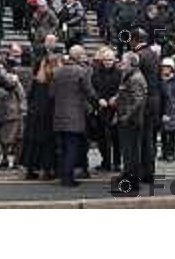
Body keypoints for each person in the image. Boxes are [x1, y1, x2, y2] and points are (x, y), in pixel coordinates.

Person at [52, 45, 97, 187]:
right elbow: (90, 93)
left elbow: (51, 93)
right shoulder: (81, 72)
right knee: (72, 147)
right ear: (78, 57)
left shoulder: (57, 72)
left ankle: (62, 175)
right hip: (75, 116)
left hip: (58, 115)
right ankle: (68, 178)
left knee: (63, 147)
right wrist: (98, 102)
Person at [22, 53, 61, 180]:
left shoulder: (37, 80)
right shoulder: (56, 80)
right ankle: (47, 170)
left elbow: (30, 97)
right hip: (49, 116)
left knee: (33, 144)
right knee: (48, 145)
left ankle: (31, 169)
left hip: (35, 116)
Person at [130, 28, 160, 183]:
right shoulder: (154, 55)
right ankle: (150, 171)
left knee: (141, 139)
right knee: (149, 138)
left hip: (143, 101)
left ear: (134, 40)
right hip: (154, 100)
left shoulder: (138, 56)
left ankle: (142, 171)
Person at [115, 51, 147, 178]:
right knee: (127, 149)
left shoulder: (136, 78)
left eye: (124, 61)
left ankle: (132, 176)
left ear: (131, 63)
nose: (121, 63)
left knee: (131, 149)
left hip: (132, 121)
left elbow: (138, 101)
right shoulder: (128, 76)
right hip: (127, 118)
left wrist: (125, 116)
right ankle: (127, 172)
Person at [92, 47, 122, 171]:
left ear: (114, 60)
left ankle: (116, 162)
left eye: (110, 60)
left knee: (116, 138)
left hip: (115, 109)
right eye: (105, 60)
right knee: (102, 138)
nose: (108, 62)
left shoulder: (120, 73)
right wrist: (99, 99)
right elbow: (93, 89)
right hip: (102, 108)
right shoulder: (96, 72)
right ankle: (105, 161)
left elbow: (123, 88)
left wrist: (116, 98)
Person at [158, 57, 175, 162]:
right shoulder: (159, 80)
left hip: (173, 110)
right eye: (164, 68)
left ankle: (171, 153)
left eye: (167, 68)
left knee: (172, 134)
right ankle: (164, 152)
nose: (165, 70)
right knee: (163, 133)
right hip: (162, 109)